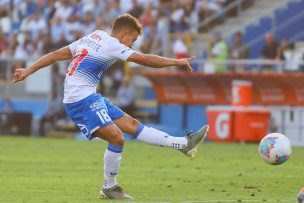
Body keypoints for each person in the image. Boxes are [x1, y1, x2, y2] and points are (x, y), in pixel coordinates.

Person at [13, 13, 209, 199]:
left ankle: (184, 144)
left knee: (132, 125)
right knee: (117, 138)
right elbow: (143, 59)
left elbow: (57, 54)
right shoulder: (113, 44)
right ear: (124, 34)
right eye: (132, 40)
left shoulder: (95, 35)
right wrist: (176, 62)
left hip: (89, 97)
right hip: (81, 101)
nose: (131, 45)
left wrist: (28, 70)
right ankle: (109, 187)